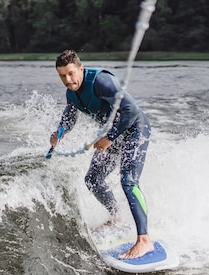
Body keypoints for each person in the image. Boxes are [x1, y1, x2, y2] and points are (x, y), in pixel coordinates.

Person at [49, 50, 153, 259]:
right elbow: (69, 115)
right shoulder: (71, 92)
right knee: (93, 179)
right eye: (62, 76)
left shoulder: (101, 82)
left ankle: (144, 240)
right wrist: (59, 133)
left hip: (135, 129)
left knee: (128, 181)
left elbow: (131, 110)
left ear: (80, 68)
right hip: (113, 135)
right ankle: (116, 217)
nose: (68, 80)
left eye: (71, 74)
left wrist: (110, 137)